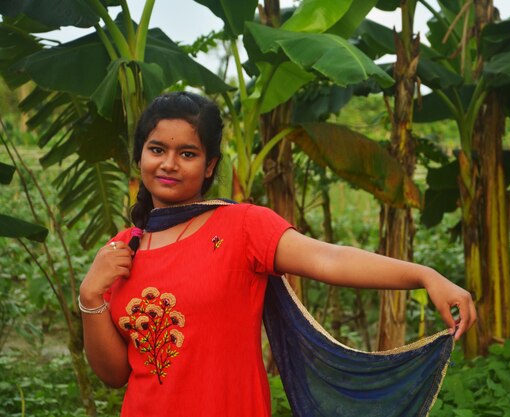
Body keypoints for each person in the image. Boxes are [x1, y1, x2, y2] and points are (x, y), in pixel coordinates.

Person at [79, 91, 476, 417]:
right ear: (140, 155)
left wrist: (425, 275)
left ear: (209, 165)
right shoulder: (123, 248)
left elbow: (329, 259)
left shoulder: (241, 227)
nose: (169, 163)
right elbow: (115, 374)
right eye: (156, 149)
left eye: (187, 153)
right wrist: (90, 297)